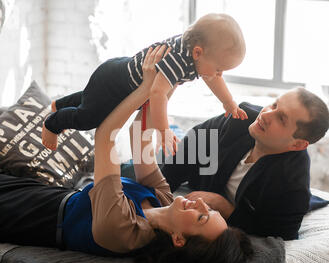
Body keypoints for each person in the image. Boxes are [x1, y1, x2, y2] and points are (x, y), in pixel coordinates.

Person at [0, 45, 253, 263]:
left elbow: (105, 136)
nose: (200, 204)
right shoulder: (163, 199)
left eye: (201, 217)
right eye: (208, 209)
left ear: (179, 239)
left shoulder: (123, 231)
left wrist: (145, 89)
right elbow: (140, 135)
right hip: (48, 196)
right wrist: (167, 82)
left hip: (26, 214)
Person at [41, 13, 248, 157]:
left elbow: (212, 78)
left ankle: (58, 104)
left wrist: (228, 102)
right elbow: (157, 94)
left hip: (117, 76)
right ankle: (53, 123)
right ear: (198, 53)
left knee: (91, 97)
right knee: (88, 118)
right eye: (219, 68)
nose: (219, 75)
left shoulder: (196, 51)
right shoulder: (178, 60)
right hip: (114, 83)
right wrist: (163, 130)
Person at [160, 87, 329, 241]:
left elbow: (282, 232)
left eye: (281, 119)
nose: (266, 114)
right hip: (196, 177)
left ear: (297, 145)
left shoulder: (292, 183)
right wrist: (158, 197)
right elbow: (195, 143)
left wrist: (226, 208)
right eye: (274, 104)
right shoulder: (242, 117)